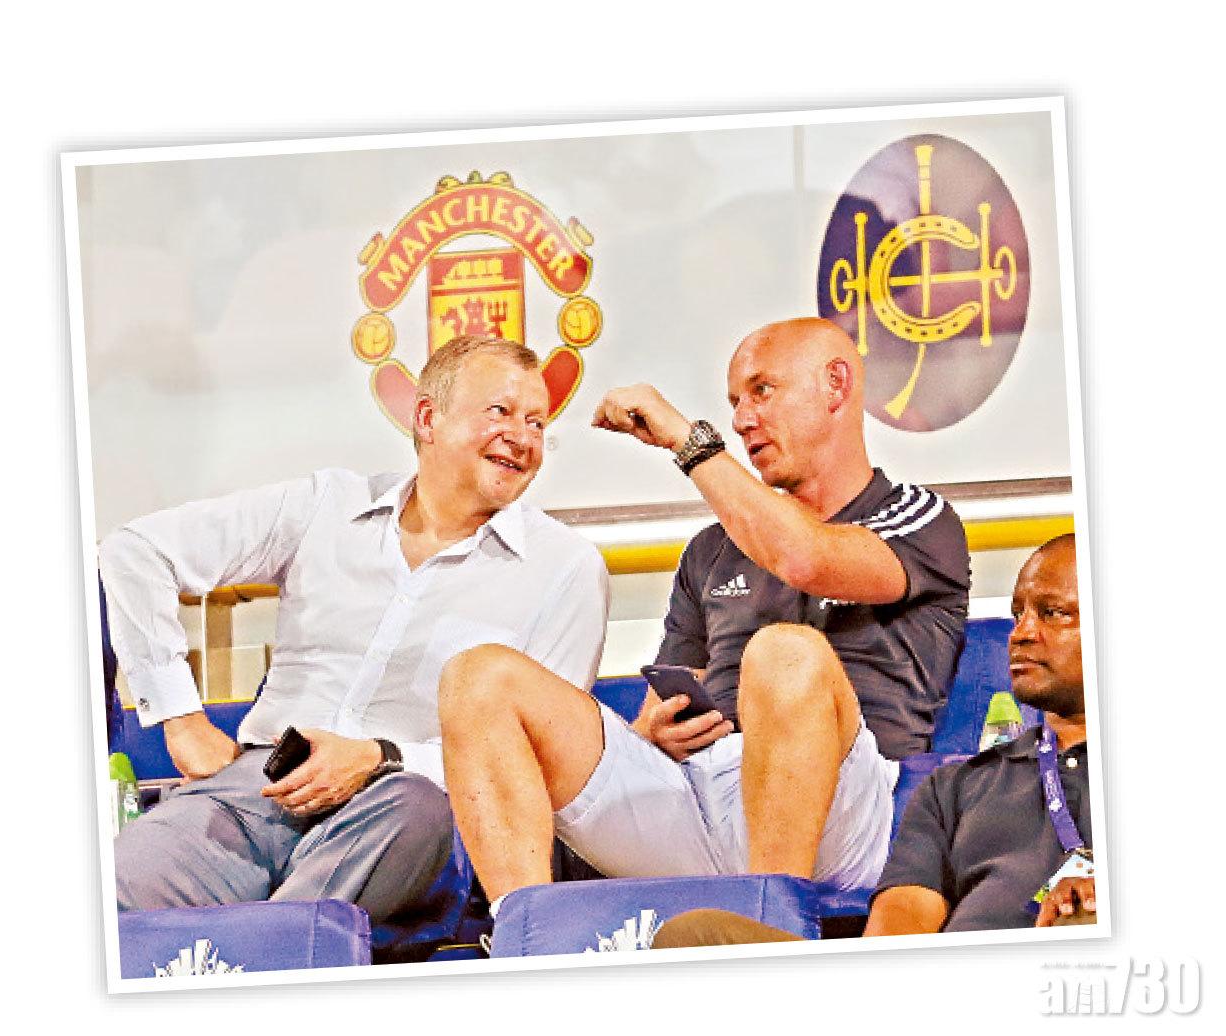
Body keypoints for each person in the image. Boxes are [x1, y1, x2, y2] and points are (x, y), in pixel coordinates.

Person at [439, 317, 969, 910]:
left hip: (841, 810)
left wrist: (687, 443)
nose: (742, 420)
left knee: (783, 652)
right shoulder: (711, 550)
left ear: (836, 385)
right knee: (479, 676)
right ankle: (527, 933)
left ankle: (769, 925)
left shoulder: (918, 519)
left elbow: (805, 557)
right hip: (699, 796)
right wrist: (653, 733)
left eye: (762, 391)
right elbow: (661, 708)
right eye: (735, 403)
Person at [101, 335, 609, 922]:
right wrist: (180, 718)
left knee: (412, 809)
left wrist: (380, 757)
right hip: (256, 789)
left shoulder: (566, 568)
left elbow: (540, 763)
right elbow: (134, 551)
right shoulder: (328, 504)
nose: (522, 437)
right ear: (428, 418)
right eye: (501, 411)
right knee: (112, 891)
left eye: (537, 422)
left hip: (407, 812)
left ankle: (270, 951)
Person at [649, 533, 1093, 948]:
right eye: (1018, 614)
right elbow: (901, 916)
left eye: (1053, 613)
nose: (1022, 633)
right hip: (940, 983)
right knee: (695, 935)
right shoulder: (956, 786)